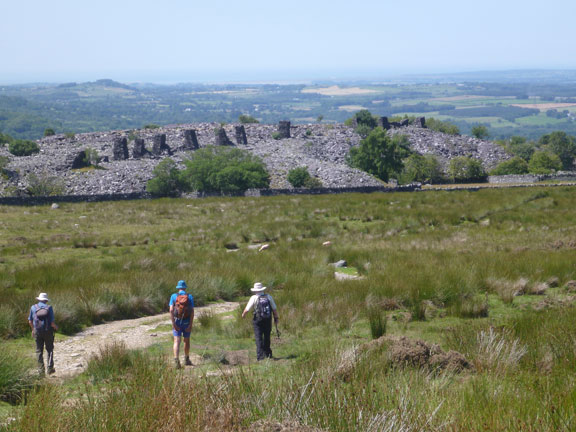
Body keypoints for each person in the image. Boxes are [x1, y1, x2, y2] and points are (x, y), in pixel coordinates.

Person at [242, 282, 279, 361]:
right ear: (262, 289)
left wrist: (243, 315)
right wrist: (276, 318)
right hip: (268, 319)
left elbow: (246, 309)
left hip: (258, 319)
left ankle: (260, 356)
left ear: (255, 290)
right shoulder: (269, 297)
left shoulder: (253, 298)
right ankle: (268, 354)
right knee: (267, 337)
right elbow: (274, 309)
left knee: (258, 337)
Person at [28, 292, 58, 376]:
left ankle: (41, 371)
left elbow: (30, 321)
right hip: (48, 331)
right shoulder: (49, 308)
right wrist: (56, 327)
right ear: (46, 300)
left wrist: (33, 330)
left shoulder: (33, 307)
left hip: (37, 331)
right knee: (49, 349)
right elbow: (52, 323)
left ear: (39, 299)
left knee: (39, 351)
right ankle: (50, 369)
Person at [169, 280, 194, 369]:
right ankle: (186, 359)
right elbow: (192, 312)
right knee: (186, 341)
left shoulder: (173, 296)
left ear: (178, 288)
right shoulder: (190, 297)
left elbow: (171, 310)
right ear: (185, 287)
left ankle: (176, 361)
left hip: (177, 321)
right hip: (186, 321)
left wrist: (173, 324)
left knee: (176, 341)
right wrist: (190, 324)